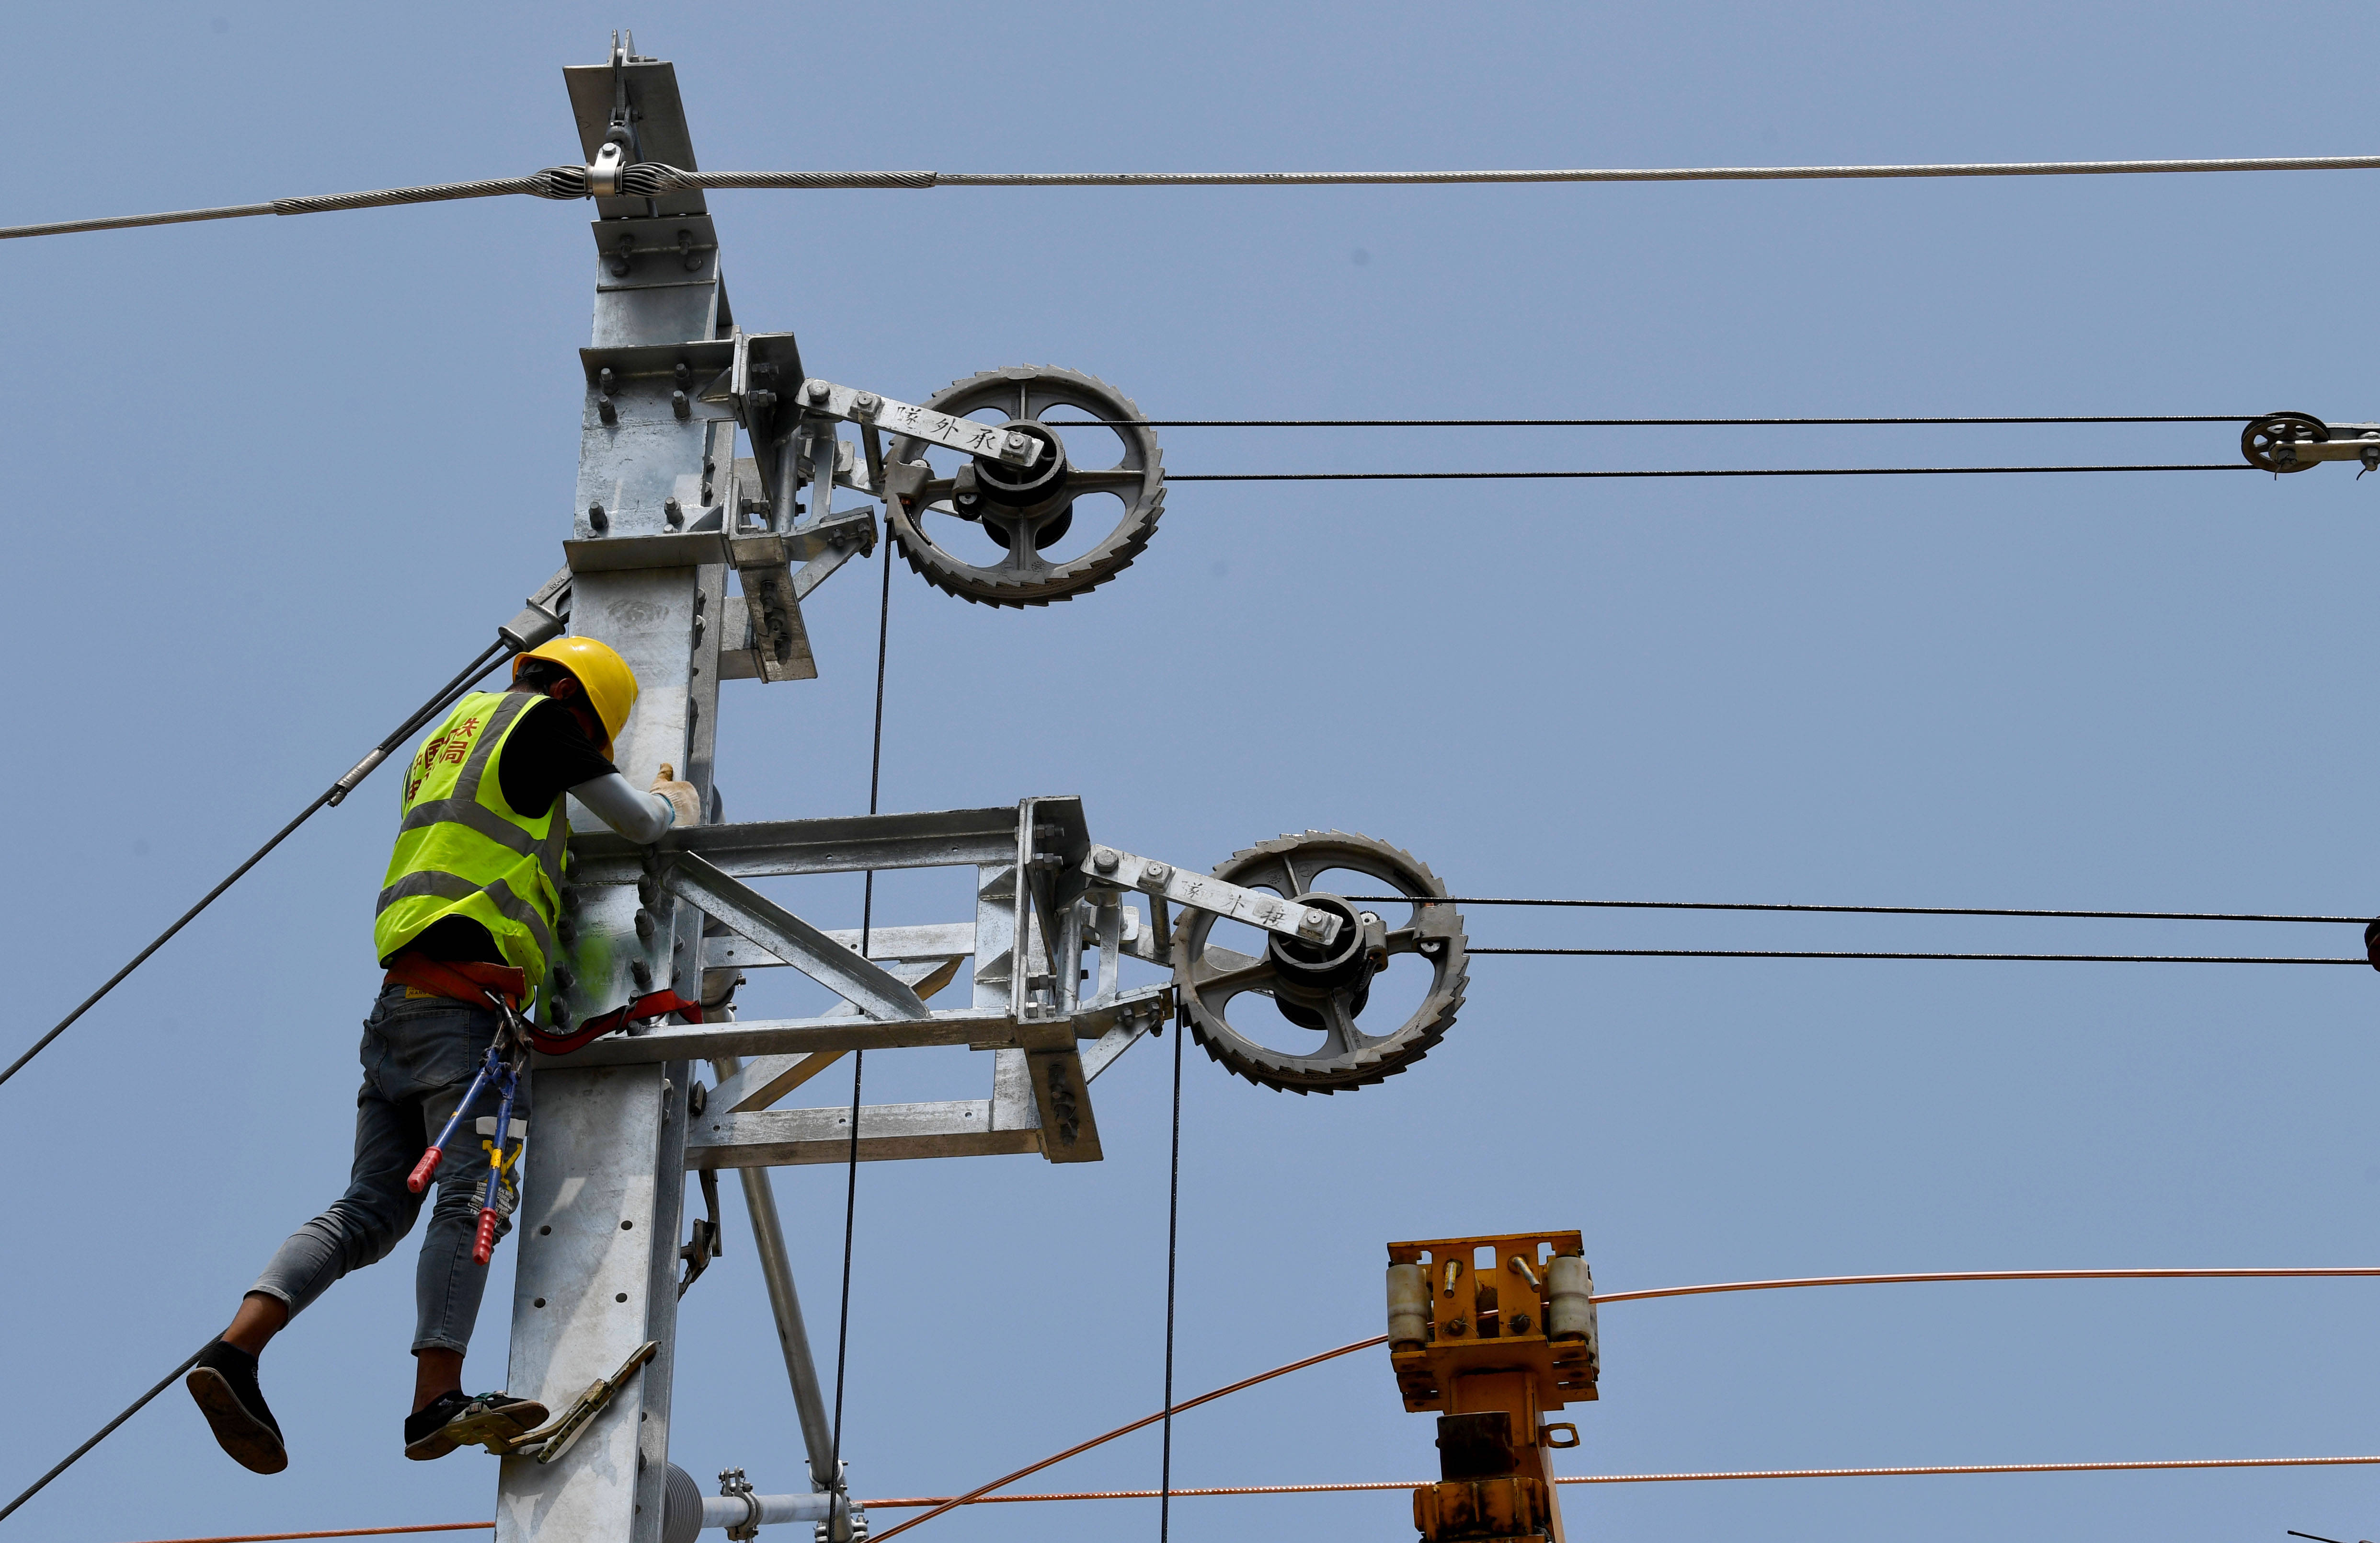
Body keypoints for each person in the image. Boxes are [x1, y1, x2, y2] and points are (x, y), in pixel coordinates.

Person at [184, 635, 702, 1472]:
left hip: (400, 1008)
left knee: (370, 1211)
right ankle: (436, 1401)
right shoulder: (540, 726)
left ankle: (234, 1351)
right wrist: (674, 802)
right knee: (474, 1192)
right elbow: (639, 824)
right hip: (464, 1019)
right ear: (579, 705)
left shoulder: (451, 736)